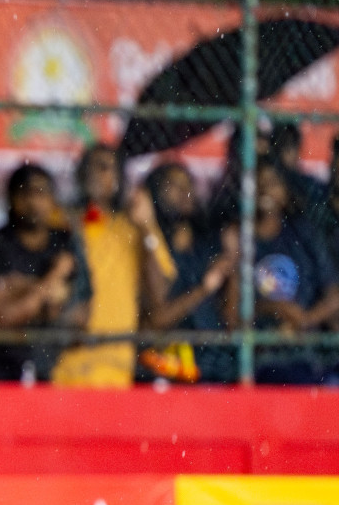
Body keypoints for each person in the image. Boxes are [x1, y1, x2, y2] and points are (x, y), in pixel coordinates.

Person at [52, 144, 177, 389]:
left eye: (105, 168)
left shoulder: (133, 228)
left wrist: (146, 226)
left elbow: (160, 293)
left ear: (120, 178)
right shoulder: (62, 222)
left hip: (116, 368)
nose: (96, 174)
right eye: (90, 167)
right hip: (64, 366)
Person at [0, 164, 92, 382]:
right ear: (10, 198)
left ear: (53, 200)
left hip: (51, 368)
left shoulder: (65, 244)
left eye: (41, 192)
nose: (33, 201)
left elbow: (79, 319)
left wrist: (20, 292)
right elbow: (2, 317)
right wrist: (52, 279)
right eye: (25, 192)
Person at [229, 160, 339, 382]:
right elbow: (232, 316)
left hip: (305, 354)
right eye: (258, 184)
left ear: (286, 190)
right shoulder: (238, 238)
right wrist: (275, 307)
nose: (265, 190)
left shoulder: (302, 235)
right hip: (258, 358)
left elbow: (334, 294)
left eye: (272, 183)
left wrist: (305, 319)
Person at [141, 162, 238, 383]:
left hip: (215, 366)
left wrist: (233, 264)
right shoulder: (154, 249)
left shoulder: (208, 246)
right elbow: (158, 319)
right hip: (170, 368)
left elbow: (232, 322)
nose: (185, 192)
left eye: (189, 184)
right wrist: (204, 288)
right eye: (173, 185)